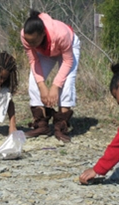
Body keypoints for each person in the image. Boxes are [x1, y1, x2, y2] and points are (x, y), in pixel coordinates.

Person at [20, 9, 80, 143]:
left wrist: (55, 86)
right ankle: (41, 124)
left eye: (34, 41)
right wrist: (42, 86)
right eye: (29, 42)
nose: (31, 45)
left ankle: (61, 126)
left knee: (67, 83)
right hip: (46, 51)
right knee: (34, 80)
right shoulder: (26, 36)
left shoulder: (61, 34)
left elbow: (68, 61)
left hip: (67, 48)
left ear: (43, 34)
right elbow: (33, 61)